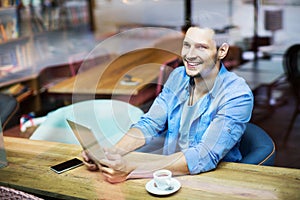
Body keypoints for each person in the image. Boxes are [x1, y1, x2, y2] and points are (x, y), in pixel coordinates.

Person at [82, 26, 254, 183]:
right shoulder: (178, 76)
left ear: (222, 51)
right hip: (168, 172)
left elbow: (204, 155)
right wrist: (111, 154)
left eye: (201, 47)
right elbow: (150, 123)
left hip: (211, 180)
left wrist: (131, 169)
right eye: (187, 45)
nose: (190, 55)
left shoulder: (237, 95)